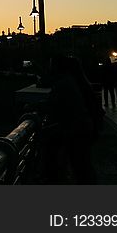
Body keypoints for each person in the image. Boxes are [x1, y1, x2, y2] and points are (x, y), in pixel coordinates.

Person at [43, 55, 102, 184]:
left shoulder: (63, 84)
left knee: (80, 167)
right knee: (83, 167)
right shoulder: (77, 82)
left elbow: (53, 106)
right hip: (84, 129)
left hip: (76, 131)